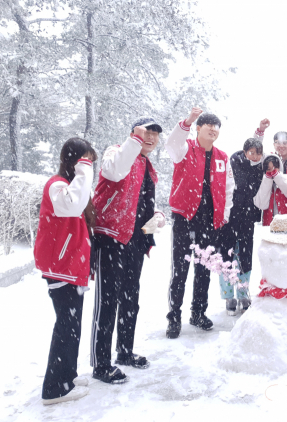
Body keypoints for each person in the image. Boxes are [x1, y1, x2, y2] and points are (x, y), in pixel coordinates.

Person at [90, 117, 166, 384]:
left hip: (135, 239)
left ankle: (124, 351)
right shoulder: (117, 152)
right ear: (134, 133)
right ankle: (101, 364)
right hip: (111, 236)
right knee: (107, 303)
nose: (151, 137)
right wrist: (133, 141)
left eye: (156, 134)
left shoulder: (147, 165)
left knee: (130, 299)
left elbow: (143, 200)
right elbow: (115, 172)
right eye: (147, 132)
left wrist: (154, 217)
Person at [34, 137, 96, 404]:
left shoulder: (71, 186)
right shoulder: (57, 185)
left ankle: (67, 375)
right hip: (60, 266)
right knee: (66, 326)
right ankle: (54, 388)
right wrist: (84, 169)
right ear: (73, 161)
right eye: (85, 161)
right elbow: (70, 206)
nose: (89, 168)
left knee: (72, 324)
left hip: (70, 266)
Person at [165, 108, 235, 339]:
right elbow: (172, 143)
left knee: (204, 268)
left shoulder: (222, 158)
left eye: (216, 126)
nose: (213, 129)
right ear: (198, 128)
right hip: (185, 217)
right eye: (208, 125)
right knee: (180, 270)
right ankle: (174, 316)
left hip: (210, 220)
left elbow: (228, 188)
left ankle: (198, 312)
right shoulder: (185, 149)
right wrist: (187, 120)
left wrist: (223, 214)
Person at [218, 119, 269, 316]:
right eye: (251, 151)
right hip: (230, 216)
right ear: (244, 151)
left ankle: (243, 293)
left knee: (245, 256)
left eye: (258, 152)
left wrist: (261, 132)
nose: (255, 155)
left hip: (248, 218)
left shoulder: (261, 166)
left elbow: (258, 146)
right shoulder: (235, 161)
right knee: (227, 254)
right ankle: (228, 296)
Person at [261, 131, 287, 226]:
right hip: (271, 205)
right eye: (278, 142)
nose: (281, 146)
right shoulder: (267, 159)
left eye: (285, 143)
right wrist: (260, 131)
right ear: (273, 144)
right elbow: (255, 150)